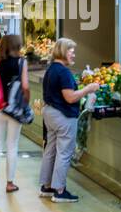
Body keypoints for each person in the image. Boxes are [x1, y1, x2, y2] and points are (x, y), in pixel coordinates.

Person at [39, 37, 100, 203]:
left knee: (50, 150)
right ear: (63, 52)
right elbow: (70, 98)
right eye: (71, 51)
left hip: (50, 113)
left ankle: (46, 186)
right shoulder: (64, 72)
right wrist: (88, 89)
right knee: (64, 153)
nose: (73, 54)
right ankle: (59, 190)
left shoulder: (51, 69)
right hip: (63, 116)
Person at [0, 33, 28, 196]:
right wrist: (25, 102)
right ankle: (9, 183)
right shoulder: (22, 62)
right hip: (14, 109)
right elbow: (25, 86)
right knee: (12, 144)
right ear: (17, 46)